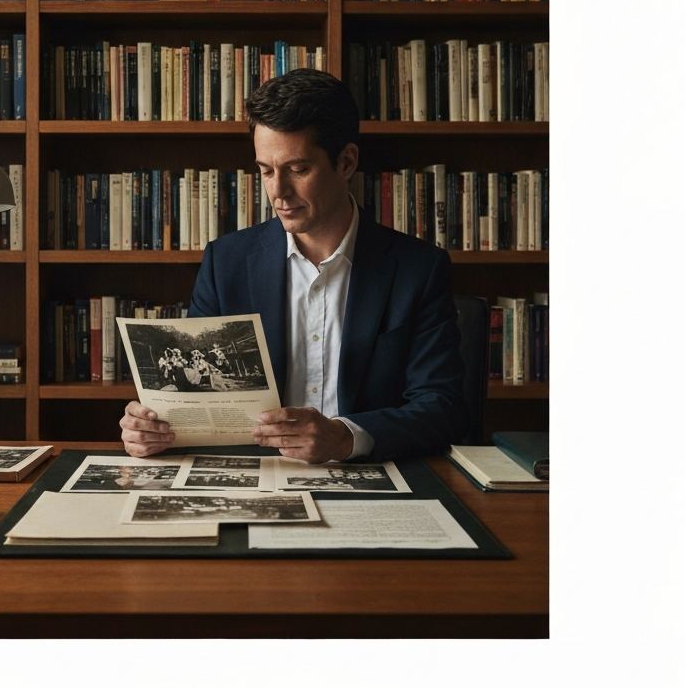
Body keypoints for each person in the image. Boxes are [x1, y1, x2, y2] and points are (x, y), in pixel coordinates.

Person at [119, 68, 467, 464]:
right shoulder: (225, 263)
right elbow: (196, 407)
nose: (278, 192)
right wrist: (154, 427)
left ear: (347, 161)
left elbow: (442, 408)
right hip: (254, 480)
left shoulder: (418, 269)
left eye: (298, 169)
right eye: (266, 171)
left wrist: (346, 437)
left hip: (373, 478)